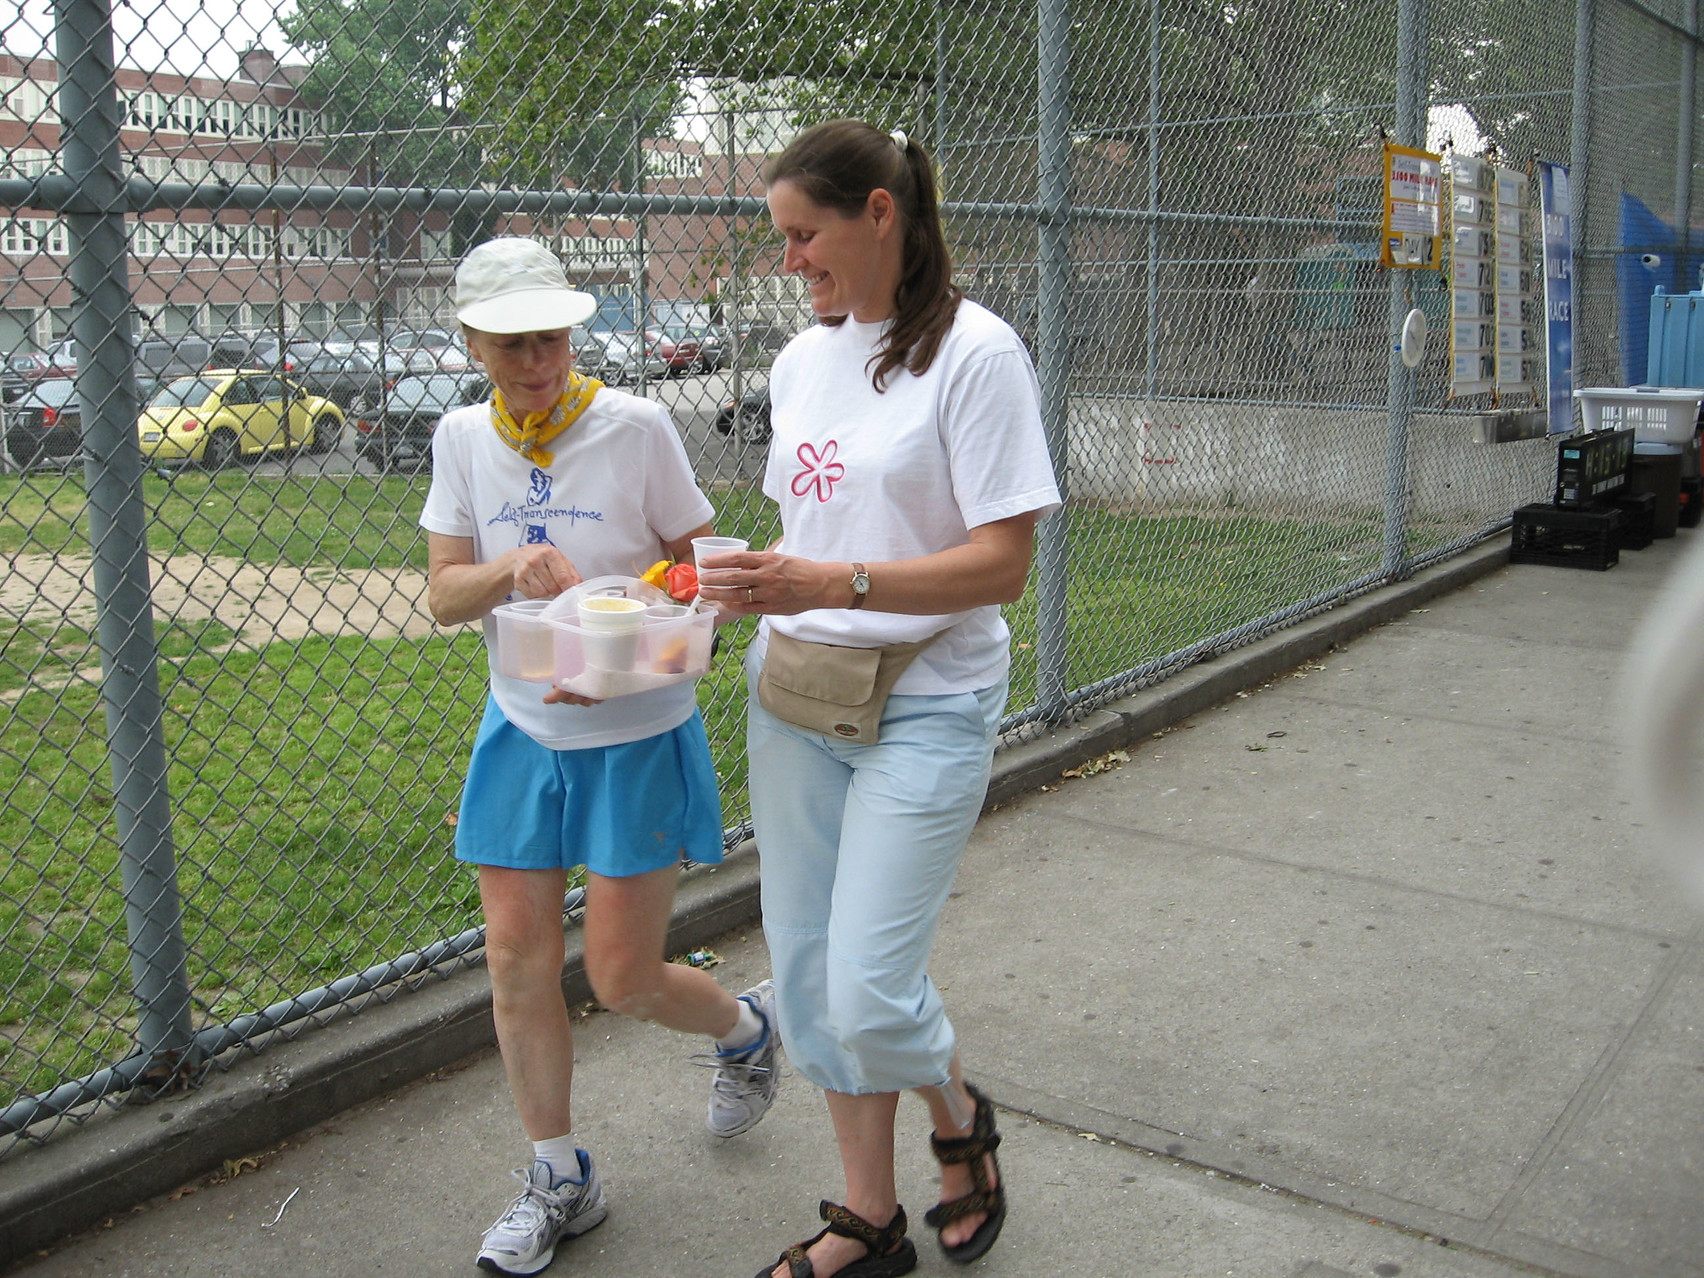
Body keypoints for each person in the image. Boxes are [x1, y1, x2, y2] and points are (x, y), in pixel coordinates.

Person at [700, 121, 1062, 1278]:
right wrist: (737, 587)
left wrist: (832, 581)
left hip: (926, 701)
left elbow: (1003, 563)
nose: (790, 260)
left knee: (867, 985)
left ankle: (956, 1115)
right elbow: (808, 532)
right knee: (808, 974)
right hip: (797, 693)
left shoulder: (979, 355)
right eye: (782, 239)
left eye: (804, 235)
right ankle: (869, 1218)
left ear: (880, 214)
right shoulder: (803, 360)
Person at [418, 236, 781, 1276]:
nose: (537, 359)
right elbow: (444, 595)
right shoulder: (460, 439)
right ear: (474, 343)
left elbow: (704, 567)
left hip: (635, 729)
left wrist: (639, 636)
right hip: (522, 727)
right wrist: (507, 572)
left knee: (621, 977)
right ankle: (559, 1178)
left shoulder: (634, 426)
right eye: (511, 342)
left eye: (552, 337)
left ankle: (745, 1027)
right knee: (515, 963)